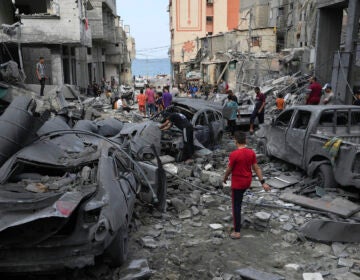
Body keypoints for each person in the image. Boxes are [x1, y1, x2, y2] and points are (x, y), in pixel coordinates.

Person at [223, 132, 271, 239]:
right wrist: (263, 182)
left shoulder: (234, 154)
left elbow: (229, 169)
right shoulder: (251, 153)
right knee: (239, 202)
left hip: (238, 183)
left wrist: (225, 178)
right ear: (245, 141)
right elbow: (256, 168)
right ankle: (238, 223)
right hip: (247, 182)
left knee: (236, 206)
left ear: (236, 141)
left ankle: (237, 231)